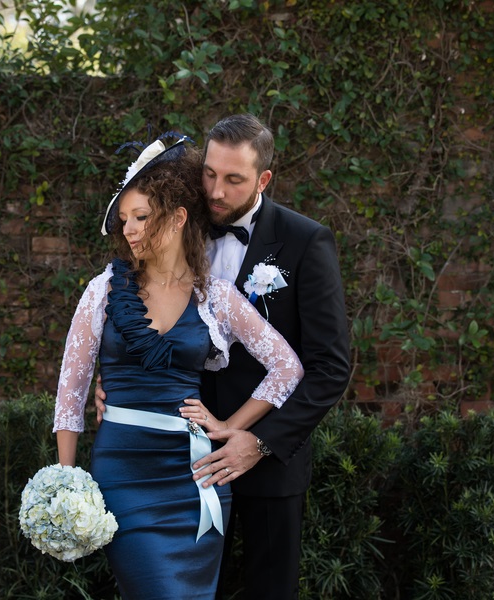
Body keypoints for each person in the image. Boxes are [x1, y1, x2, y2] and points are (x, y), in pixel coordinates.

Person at [97, 114, 351, 599]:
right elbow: (127, 313)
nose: (215, 190)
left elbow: (330, 368)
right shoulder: (176, 223)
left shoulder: (305, 242)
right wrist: (116, 378)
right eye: (209, 173)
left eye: (233, 180)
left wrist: (256, 440)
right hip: (177, 469)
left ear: (264, 179)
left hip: (266, 466)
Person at [52, 133, 304, 600]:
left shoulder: (217, 296)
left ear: (178, 216)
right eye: (124, 219)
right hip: (123, 475)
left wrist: (231, 426)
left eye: (141, 217)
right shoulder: (103, 291)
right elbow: (70, 397)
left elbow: (287, 368)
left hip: (195, 481)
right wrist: (66, 483)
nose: (128, 229)